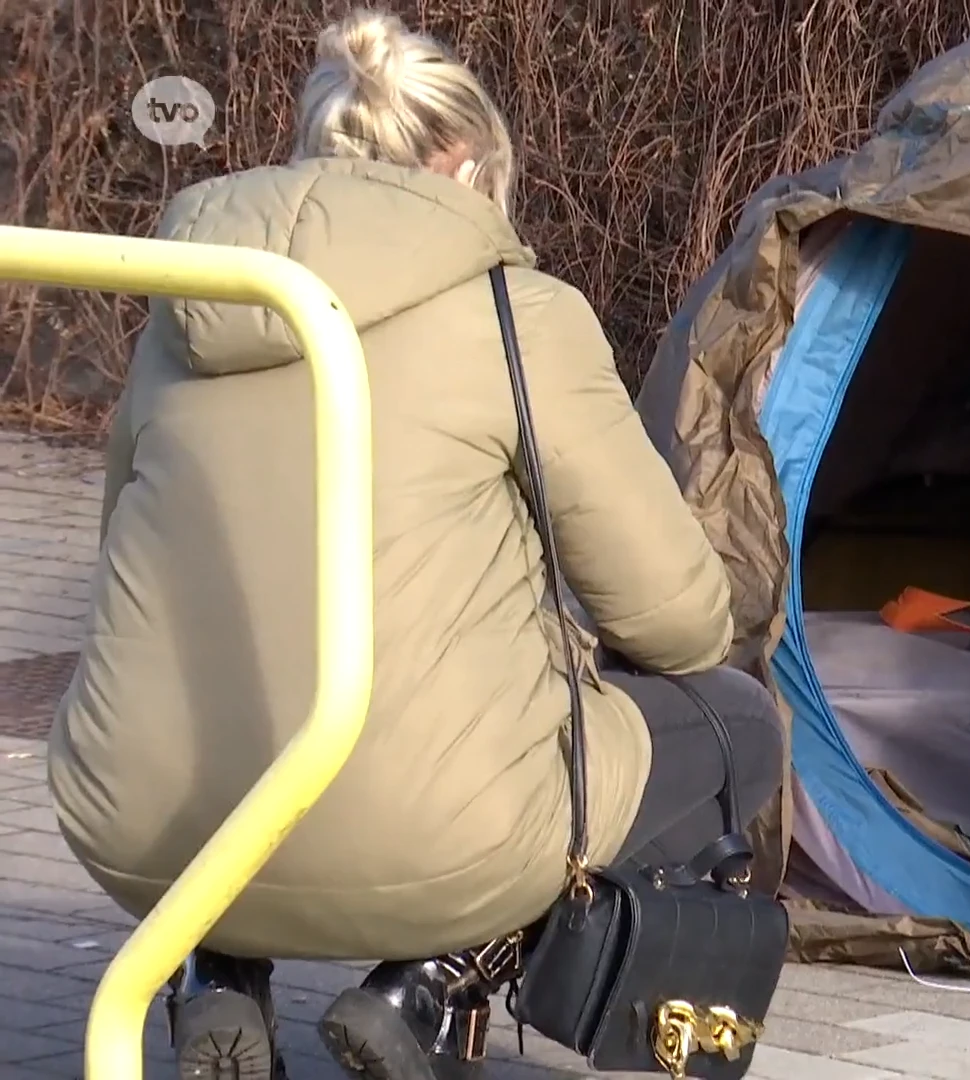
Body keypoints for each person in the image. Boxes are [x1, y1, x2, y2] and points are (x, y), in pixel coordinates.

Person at [46, 10, 782, 1079]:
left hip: (149, 826)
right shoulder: (514, 311)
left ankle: (216, 980)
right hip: (435, 840)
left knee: (241, 667)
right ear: (471, 165)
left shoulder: (193, 304)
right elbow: (669, 615)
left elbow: (126, 550)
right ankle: (428, 984)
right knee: (736, 727)